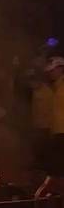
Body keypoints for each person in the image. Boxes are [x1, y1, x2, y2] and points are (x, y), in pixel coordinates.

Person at [36, 57, 64, 197]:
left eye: (53, 70)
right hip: (57, 132)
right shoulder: (55, 87)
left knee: (58, 168)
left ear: (60, 68)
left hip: (62, 132)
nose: (50, 73)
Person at [29, 69, 52, 174]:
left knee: (43, 145)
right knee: (38, 144)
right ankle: (39, 165)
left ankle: (45, 167)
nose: (30, 84)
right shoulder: (35, 91)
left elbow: (51, 109)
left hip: (45, 125)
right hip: (37, 123)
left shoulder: (47, 92)